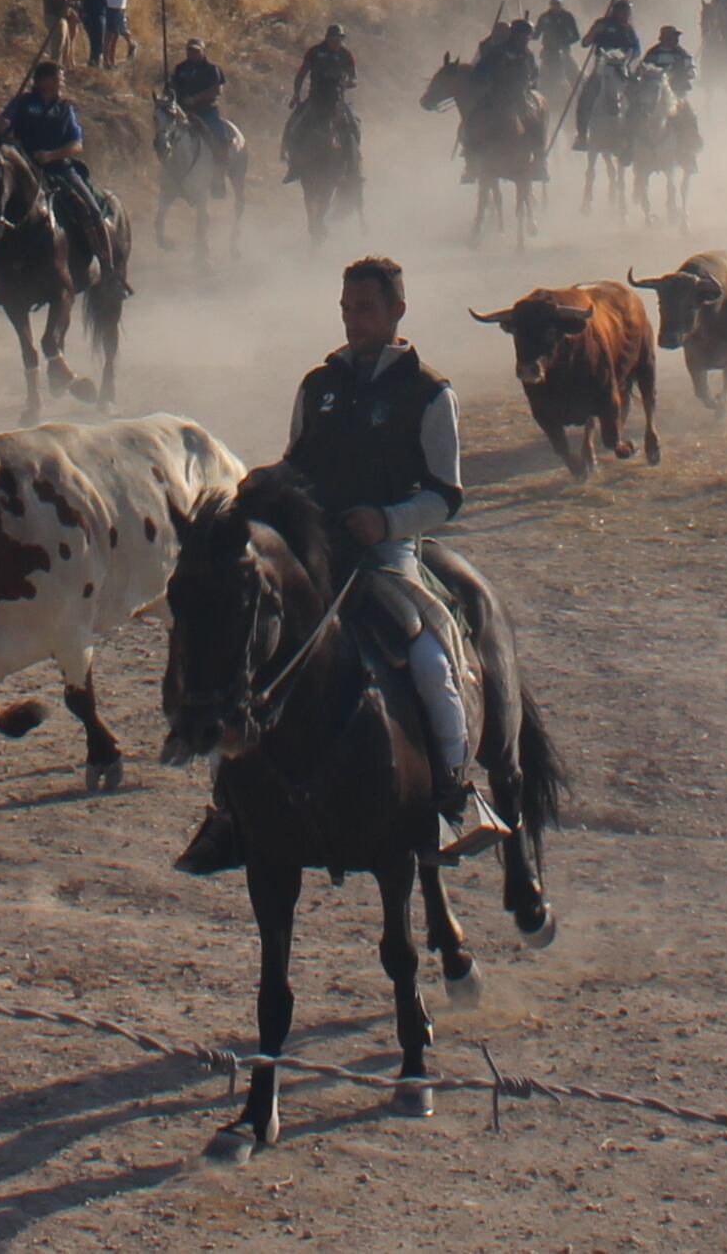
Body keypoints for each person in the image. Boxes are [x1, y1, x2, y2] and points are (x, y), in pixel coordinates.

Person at [177, 254, 500, 878]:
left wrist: (386, 521)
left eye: (367, 309)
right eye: (348, 309)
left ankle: (452, 796)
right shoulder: (317, 386)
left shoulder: (430, 394)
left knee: (433, 659)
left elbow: (447, 494)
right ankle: (226, 807)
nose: (354, 321)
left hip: (385, 556)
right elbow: (296, 462)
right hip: (314, 555)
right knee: (242, 660)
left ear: (398, 312)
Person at [0, 58, 126, 293]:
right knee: (0, 209)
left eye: (61, 78)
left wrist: (52, 155)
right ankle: (3, 277)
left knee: (93, 210)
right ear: (43, 81)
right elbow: (1, 127)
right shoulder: (23, 103)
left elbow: (76, 145)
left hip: (61, 168)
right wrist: (0, 125)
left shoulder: (64, 108)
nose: (61, 82)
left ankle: (107, 267)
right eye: (57, 77)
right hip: (26, 168)